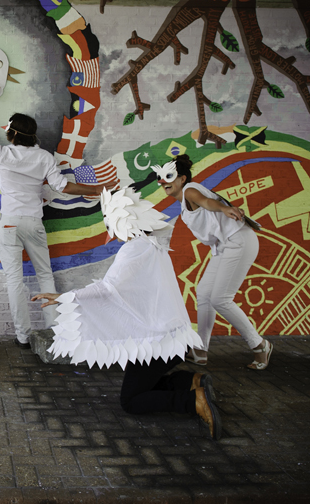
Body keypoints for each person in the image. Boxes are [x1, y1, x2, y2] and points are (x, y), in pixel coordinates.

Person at [31, 187, 221, 440]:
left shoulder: (135, 249)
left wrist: (65, 297)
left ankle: (194, 400)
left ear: (123, 221)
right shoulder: (152, 246)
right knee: (143, 386)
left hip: (158, 343)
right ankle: (191, 381)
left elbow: (108, 289)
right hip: (170, 337)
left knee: (131, 401)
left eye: (109, 221)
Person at [0, 77, 113, 348]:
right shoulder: (44, 158)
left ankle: (23, 336)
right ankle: (53, 330)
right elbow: (63, 186)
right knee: (45, 275)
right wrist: (97, 189)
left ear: (11, 134)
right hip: (35, 223)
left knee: (15, 281)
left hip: (11, 224)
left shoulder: (2, 155)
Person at [153, 154, 273, 370]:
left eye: (169, 176)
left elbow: (207, 202)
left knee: (221, 299)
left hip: (239, 241)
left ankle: (259, 345)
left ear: (182, 179)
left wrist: (225, 208)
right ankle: (200, 350)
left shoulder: (189, 190)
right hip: (224, 246)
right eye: (160, 178)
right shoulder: (183, 203)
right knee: (204, 294)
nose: (164, 182)